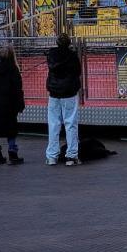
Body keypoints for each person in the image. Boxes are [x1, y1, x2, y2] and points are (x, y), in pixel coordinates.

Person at [45, 33, 82, 167]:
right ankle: (71, 155)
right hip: (69, 92)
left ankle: (51, 156)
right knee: (71, 123)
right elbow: (78, 72)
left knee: (53, 124)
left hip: (54, 92)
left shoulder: (51, 55)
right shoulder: (72, 56)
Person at [0, 44, 25, 165]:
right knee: (11, 129)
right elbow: (18, 89)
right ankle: (12, 153)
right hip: (9, 103)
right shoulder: (13, 69)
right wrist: (20, 104)